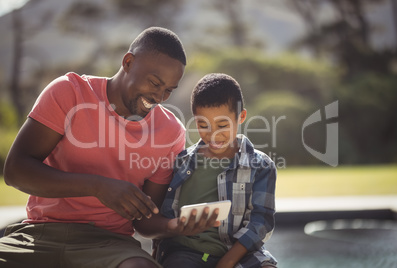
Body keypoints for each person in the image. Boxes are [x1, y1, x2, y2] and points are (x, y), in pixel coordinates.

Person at [0, 27, 218, 268]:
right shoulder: (69, 92)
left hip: (110, 244)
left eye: (168, 90)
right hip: (38, 235)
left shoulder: (170, 132)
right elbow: (15, 171)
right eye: (155, 83)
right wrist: (98, 187)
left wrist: (175, 226)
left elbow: (145, 220)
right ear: (128, 62)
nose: (159, 96)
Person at [154, 73, 278, 268]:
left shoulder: (261, 166)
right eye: (203, 125)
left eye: (222, 125)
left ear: (241, 117)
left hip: (238, 253)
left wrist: (227, 262)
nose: (213, 135)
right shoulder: (182, 162)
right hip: (187, 253)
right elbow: (164, 215)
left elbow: (260, 223)